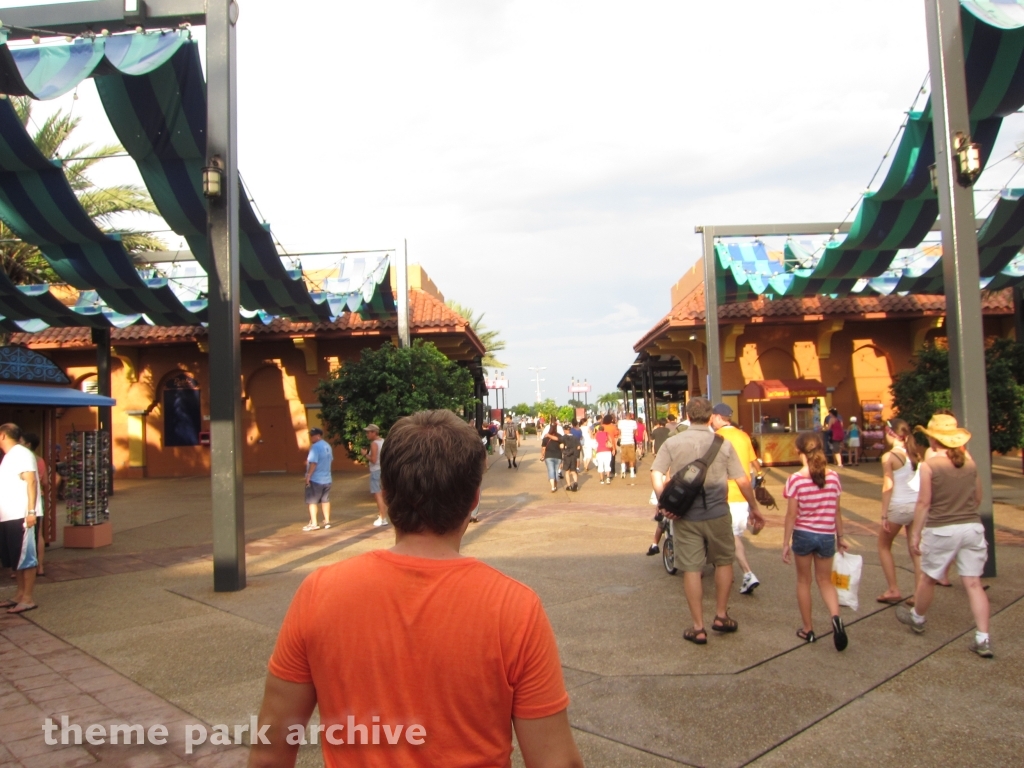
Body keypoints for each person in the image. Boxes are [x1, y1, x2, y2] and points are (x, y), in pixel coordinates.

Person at [250, 410, 583, 768]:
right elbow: (555, 760)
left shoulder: (320, 592)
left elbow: (271, 747)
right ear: (473, 499)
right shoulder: (515, 608)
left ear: (388, 494)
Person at [651, 398, 765, 645]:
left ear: (688, 416)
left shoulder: (672, 442)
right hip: (717, 513)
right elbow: (742, 480)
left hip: (685, 517)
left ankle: (698, 627)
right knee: (724, 561)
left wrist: (665, 503)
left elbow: (657, 474)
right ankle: (721, 616)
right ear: (710, 416)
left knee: (692, 568)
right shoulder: (722, 444)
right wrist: (754, 508)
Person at [895, 414, 993, 658]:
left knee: (929, 578)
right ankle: (983, 638)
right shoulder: (970, 464)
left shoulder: (930, 466)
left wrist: (915, 534)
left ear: (933, 439)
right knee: (973, 583)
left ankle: (917, 618)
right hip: (971, 527)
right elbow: (978, 496)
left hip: (941, 528)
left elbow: (924, 502)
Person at [782, 432, 849, 651]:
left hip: (803, 534)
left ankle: (808, 629)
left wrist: (785, 543)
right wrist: (841, 537)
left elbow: (791, 515)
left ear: (798, 451)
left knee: (804, 582)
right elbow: (837, 511)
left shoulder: (796, 479)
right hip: (826, 535)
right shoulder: (833, 477)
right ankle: (835, 616)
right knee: (825, 581)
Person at [709, 404, 761, 595]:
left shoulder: (717, 437)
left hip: (724, 493)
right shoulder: (743, 435)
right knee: (733, 534)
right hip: (743, 493)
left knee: (731, 536)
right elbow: (751, 462)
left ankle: (746, 572)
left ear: (716, 417)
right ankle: (727, 569)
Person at [877, 419, 922, 604]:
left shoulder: (889, 457)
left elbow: (888, 485)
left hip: (899, 505)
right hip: (916, 506)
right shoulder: (915, 453)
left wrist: (884, 514)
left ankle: (893, 588)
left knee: (883, 545)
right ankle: (920, 593)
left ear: (890, 433)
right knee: (915, 549)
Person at [0, 424, 41, 614]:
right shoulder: (9, 457)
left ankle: (28, 598)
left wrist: (31, 512)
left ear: (2, 435)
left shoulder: (21, 453)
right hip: (8, 515)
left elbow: (31, 480)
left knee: (26, 557)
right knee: (16, 557)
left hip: (22, 515)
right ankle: (19, 594)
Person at [21, 432, 52, 577]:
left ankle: (19, 568)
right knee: (38, 534)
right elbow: (46, 482)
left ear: (27, 444)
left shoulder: (21, 459)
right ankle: (40, 566)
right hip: (40, 498)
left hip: (24, 498)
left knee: (22, 533)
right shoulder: (40, 460)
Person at [303, 428, 333, 531]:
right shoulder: (327, 446)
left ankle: (314, 523)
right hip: (327, 478)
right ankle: (327, 521)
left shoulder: (315, 447)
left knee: (312, 501)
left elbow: (313, 463)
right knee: (325, 500)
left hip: (316, 479)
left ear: (318, 436)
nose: (311, 437)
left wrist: (308, 476)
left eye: (312, 435)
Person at [363, 424, 388, 527]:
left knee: (378, 495)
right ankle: (382, 515)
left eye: (368, 432)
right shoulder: (384, 442)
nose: (367, 434)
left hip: (376, 471)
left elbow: (373, 460)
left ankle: (382, 518)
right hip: (383, 470)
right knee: (383, 494)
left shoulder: (374, 444)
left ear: (374, 432)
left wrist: (365, 454)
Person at [541, 424, 562, 493]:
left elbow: (543, 449)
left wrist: (542, 455)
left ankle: (553, 487)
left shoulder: (545, 438)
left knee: (551, 470)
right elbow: (562, 446)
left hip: (548, 456)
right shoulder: (559, 436)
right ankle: (555, 485)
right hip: (558, 456)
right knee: (556, 470)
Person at [617, 412, 638, 480]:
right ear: (631, 416)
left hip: (623, 442)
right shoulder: (633, 422)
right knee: (631, 458)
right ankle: (632, 473)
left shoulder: (621, 422)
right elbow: (635, 432)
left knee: (623, 457)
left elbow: (619, 432)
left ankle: (623, 471)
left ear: (625, 416)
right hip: (630, 442)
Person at [602, 414, 619, 480]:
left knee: (605, 459)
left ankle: (606, 472)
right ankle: (612, 471)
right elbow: (616, 434)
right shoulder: (613, 427)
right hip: (612, 445)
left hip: (604, 445)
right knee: (612, 459)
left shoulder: (602, 426)